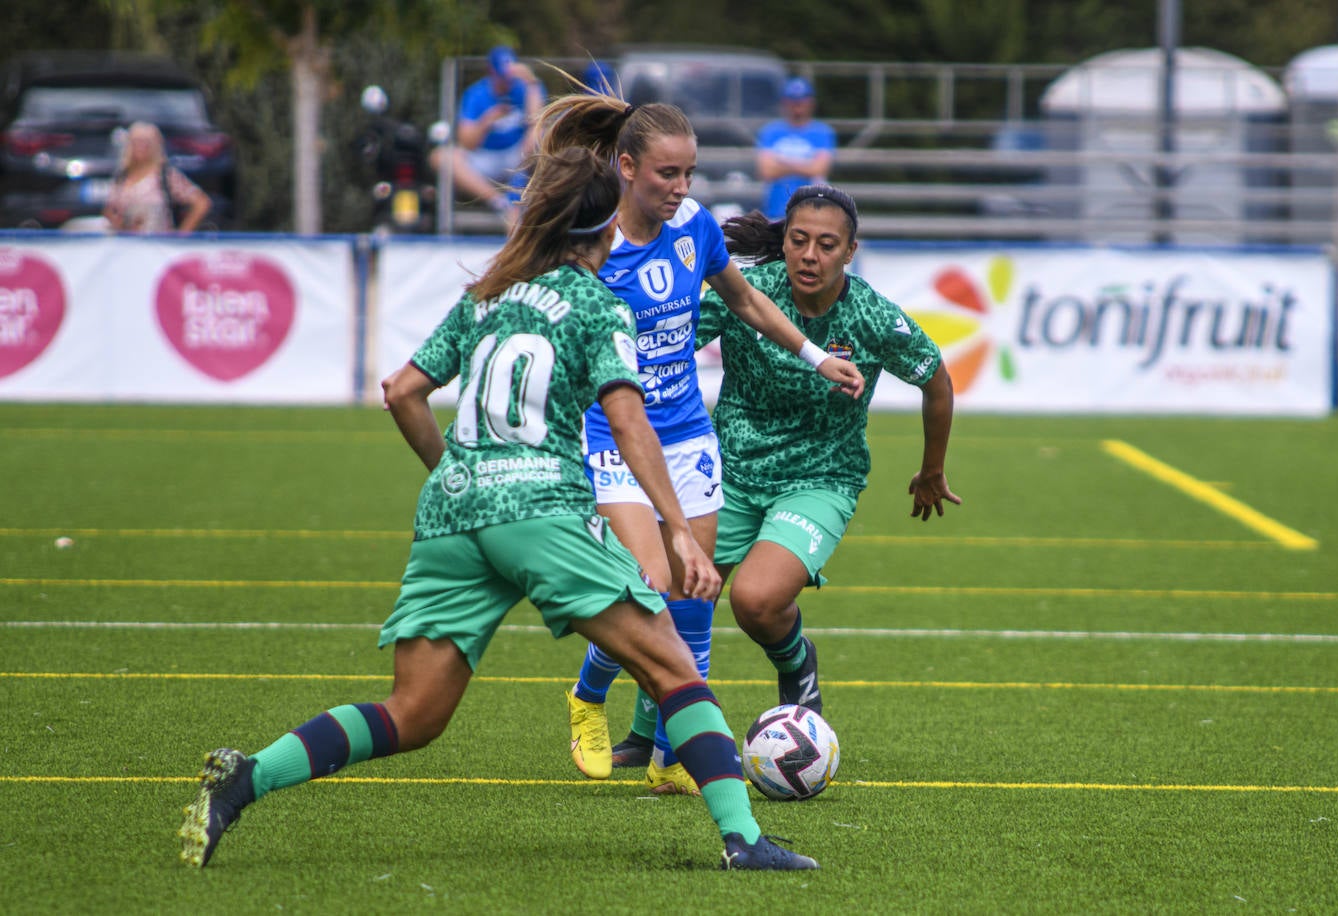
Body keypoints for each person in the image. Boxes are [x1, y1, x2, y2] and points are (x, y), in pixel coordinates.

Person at [175, 146, 817, 872]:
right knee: (674, 666)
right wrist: (678, 531)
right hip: (540, 509)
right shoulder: (595, 303)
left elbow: (402, 391)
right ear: (608, 229)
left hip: (452, 513)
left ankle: (247, 776)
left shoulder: (489, 292)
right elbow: (630, 423)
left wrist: (458, 474)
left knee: (413, 714)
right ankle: (744, 840)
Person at [535, 92, 866, 795]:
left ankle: (672, 753)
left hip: (687, 436)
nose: (681, 188)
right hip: (612, 440)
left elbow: (744, 300)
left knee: (693, 594)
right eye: (667, 174)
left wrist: (814, 355)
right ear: (625, 167)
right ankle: (587, 698)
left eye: (689, 173)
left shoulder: (694, 228)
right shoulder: (591, 245)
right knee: (646, 588)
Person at [616, 184, 961, 754]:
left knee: (755, 601)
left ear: (850, 252)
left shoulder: (872, 316)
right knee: (677, 594)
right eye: (799, 240)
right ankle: (649, 729)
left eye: (827, 245)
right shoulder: (747, 293)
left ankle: (797, 664)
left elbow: (937, 380)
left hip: (820, 478)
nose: (809, 255)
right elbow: (667, 343)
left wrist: (931, 470)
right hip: (726, 473)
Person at [430, 45, 544, 226]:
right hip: (485, 158)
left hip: (517, 157)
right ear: (491, 71)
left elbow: (537, 121)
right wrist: (486, 121)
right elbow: (466, 142)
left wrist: (531, 82)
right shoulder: (476, 94)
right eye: (502, 77)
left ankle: (526, 200)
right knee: (441, 157)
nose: (506, 83)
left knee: (539, 137)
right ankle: (499, 202)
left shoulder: (525, 88)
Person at [102, 121, 211, 234]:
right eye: (137, 142)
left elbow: (201, 203)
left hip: (159, 246)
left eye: (146, 143)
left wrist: (181, 235)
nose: (141, 147)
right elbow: (109, 210)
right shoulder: (122, 176)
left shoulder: (166, 175)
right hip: (126, 246)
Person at [755, 78, 836, 221]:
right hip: (775, 209)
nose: (797, 106)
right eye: (792, 101)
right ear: (784, 103)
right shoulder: (771, 131)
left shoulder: (822, 132)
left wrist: (781, 164)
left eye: (802, 101)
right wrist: (805, 165)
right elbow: (766, 171)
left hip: (812, 210)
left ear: (811, 103)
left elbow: (819, 169)